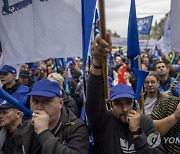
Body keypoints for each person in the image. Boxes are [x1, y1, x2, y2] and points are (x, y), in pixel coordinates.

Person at [85, 32, 164, 154]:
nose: (125, 109)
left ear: (135, 103)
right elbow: (93, 99)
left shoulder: (145, 122)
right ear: (111, 105)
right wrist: (97, 60)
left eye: (128, 103)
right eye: (118, 104)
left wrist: (137, 133)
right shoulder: (103, 121)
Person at [12, 79, 89, 154]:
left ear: (61, 103)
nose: (39, 107)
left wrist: (43, 133)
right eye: (35, 101)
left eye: (46, 101)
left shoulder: (76, 128)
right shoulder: (24, 129)